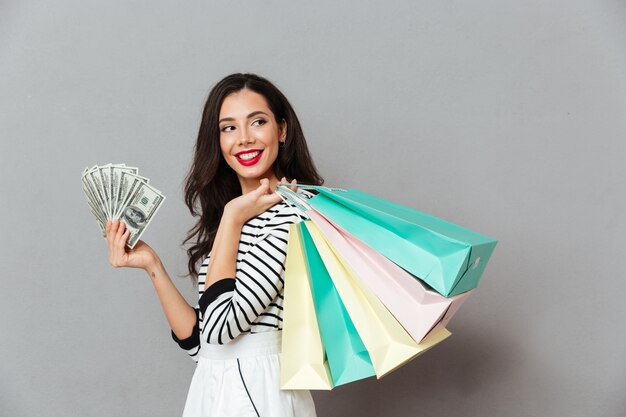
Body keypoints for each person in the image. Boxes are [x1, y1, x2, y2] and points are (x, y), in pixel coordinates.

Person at [105, 73, 323, 417]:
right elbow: (202, 343)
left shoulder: (292, 217)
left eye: (258, 122)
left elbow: (222, 328)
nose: (245, 139)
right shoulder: (235, 215)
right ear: (217, 140)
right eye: (229, 128)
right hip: (213, 384)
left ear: (281, 130)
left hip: (260, 390)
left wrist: (232, 218)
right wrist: (152, 265)